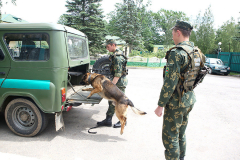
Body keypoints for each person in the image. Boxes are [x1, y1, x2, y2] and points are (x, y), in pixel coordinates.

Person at [154, 20, 205, 160]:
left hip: (176, 103)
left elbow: (170, 83)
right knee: (181, 134)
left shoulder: (177, 53)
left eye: (173, 34)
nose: (172, 37)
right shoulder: (197, 52)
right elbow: (200, 76)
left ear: (178, 32)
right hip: (189, 100)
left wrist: (160, 105)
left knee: (170, 137)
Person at [97, 39, 128, 128]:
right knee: (112, 101)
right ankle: (108, 120)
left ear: (113, 45)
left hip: (119, 82)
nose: (107, 48)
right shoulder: (115, 55)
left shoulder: (117, 57)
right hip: (117, 81)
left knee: (119, 102)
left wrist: (111, 86)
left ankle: (123, 120)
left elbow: (118, 74)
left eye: (108, 46)